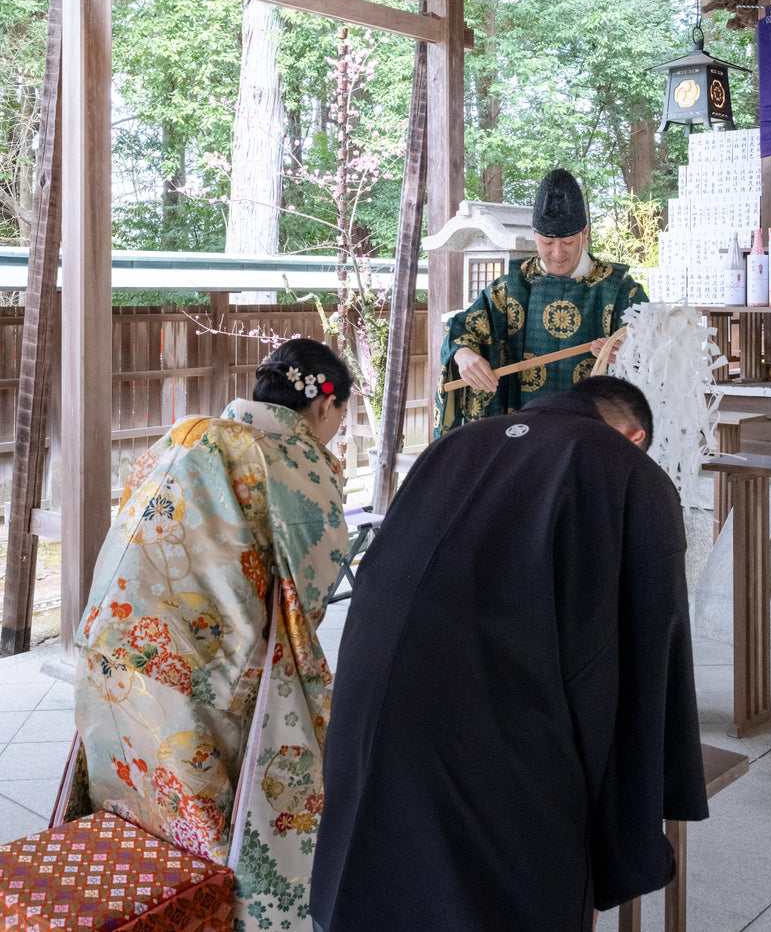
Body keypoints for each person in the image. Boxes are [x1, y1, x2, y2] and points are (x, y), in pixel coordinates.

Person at [310, 377, 708, 932]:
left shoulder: (451, 445)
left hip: (368, 721)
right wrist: (626, 833)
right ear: (634, 435)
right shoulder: (626, 468)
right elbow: (649, 654)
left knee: (377, 879)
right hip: (501, 740)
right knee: (492, 893)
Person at [73, 338, 353, 932]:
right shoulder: (293, 458)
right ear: (325, 407)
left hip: (107, 641)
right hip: (191, 671)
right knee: (205, 829)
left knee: (129, 810)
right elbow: (313, 587)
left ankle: (134, 912)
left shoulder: (184, 433)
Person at [434, 168, 648, 435]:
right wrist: (463, 355)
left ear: (585, 233)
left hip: (591, 437)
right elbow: (462, 328)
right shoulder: (511, 288)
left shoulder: (619, 291)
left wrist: (630, 353)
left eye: (568, 242)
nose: (557, 253)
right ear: (534, 234)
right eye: (547, 242)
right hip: (521, 431)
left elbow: (655, 352)